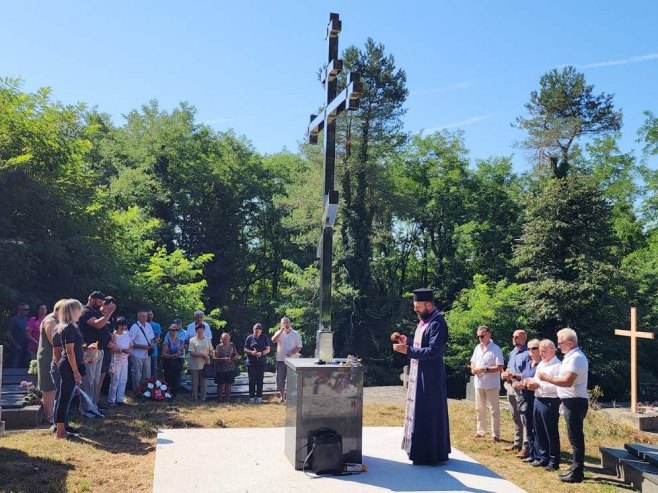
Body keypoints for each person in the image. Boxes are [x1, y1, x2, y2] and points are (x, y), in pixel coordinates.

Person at [393, 288, 451, 465]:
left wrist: (409, 351)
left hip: (430, 377)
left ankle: (429, 454)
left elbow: (434, 350)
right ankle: (418, 450)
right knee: (420, 412)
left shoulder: (437, 322)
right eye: (414, 306)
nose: (415, 310)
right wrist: (408, 342)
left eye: (418, 306)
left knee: (428, 413)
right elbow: (421, 344)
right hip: (420, 373)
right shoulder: (424, 321)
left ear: (428, 305)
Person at [537, 328, 589, 483]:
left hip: (575, 402)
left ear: (570, 343)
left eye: (560, 343)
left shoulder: (576, 358)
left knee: (575, 438)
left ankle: (577, 472)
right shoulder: (570, 356)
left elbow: (567, 381)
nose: (558, 347)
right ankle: (575, 469)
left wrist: (546, 377)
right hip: (570, 401)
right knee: (573, 437)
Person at [78, 291, 116, 417]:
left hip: (100, 349)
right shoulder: (86, 311)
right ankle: (85, 408)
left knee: (95, 380)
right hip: (89, 350)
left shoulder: (97, 312)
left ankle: (93, 405)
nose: (100, 304)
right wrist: (110, 312)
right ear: (91, 299)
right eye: (99, 302)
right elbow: (98, 324)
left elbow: (104, 324)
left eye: (102, 302)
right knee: (88, 380)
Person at [527, 339, 561, 471]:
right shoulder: (541, 364)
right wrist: (530, 383)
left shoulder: (558, 366)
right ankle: (543, 457)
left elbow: (557, 386)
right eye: (540, 350)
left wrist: (538, 384)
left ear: (552, 350)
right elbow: (536, 378)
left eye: (543, 351)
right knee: (539, 430)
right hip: (538, 399)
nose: (541, 353)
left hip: (550, 401)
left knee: (550, 432)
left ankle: (553, 460)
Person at [54, 299, 85, 440]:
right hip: (68, 366)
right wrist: (76, 371)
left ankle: (62, 428)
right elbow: (70, 352)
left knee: (66, 397)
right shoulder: (68, 328)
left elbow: (76, 349)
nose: (81, 312)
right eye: (78, 309)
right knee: (64, 398)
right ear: (72, 311)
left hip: (70, 365)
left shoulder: (73, 326)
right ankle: (60, 431)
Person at [470, 325, 504, 442]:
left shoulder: (496, 349)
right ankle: (481, 430)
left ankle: (495, 434)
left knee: (494, 410)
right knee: (479, 408)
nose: (480, 338)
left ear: (489, 334)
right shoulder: (477, 348)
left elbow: (500, 366)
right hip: (479, 383)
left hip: (492, 384)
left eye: (482, 336)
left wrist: (485, 369)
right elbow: (473, 362)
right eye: (478, 336)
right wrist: (473, 369)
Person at [512, 338, 541, 464]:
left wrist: (522, 385)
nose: (530, 351)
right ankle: (532, 453)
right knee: (528, 426)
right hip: (525, 398)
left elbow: (535, 381)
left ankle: (538, 454)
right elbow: (524, 377)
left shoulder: (542, 365)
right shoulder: (529, 364)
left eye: (533, 348)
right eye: (529, 348)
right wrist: (516, 380)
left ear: (540, 350)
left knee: (536, 427)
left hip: (535, 398)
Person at [501, 329, 529, 457]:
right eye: (513, 336)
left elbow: (530, 372)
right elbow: (509, 368)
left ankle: (526, 447)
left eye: (517, 337)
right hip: (510, 387)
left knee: (524, 418)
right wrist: (505, 373)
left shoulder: (528, 353)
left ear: (524, 338)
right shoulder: (512, 353)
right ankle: (517, 443)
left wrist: (515, 375)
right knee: (515, 416)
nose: (514, 339)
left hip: (522, 388)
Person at [36, 302, 62, 425]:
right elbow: (54, 341)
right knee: (48, 387)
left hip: (53, 356)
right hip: (47, 356)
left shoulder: (57, 320)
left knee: (54, 387)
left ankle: (53, 413)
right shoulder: (51, 321)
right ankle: (49, 416)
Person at [271, 316, 302, 403]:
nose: (286, 324)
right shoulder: (278, 333)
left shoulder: (296, 334)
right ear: (281, 324)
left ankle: (291, 396)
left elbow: (299, 347)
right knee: (281, 379)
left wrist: (291, 353)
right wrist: (281, 331)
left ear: (290, 323)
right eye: (284, 323)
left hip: (293, 361)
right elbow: (273, 340)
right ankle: (282, 397)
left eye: (287, 322)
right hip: (281, 360)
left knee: (292, 379)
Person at [128, 309, 155, 390]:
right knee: (137, 374)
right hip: (137, 354)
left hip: (147, 354)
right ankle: (137, 392)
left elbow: (152, 338)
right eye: (143, 316)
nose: (145, 317)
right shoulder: (134, 327)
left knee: (147, 375)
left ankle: (145, 392)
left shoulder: (149, 326)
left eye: (146, 316)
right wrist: (141, 346)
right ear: (139, 317)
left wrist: (152, 344)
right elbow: (130, 342)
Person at [244, 323, 270, 404]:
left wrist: (261, 353)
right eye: (255, 332)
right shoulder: (249, 338)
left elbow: (268, 349)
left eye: (258, 332)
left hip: (261, 361)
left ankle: (259, 397)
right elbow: (245, 348)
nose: (257, 333)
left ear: (261, 331)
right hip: (251, 362)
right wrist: (251, 352)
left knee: (260, 380)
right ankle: (251, 397)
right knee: (251, 380)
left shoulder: (264, 337)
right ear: (253, 330)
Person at [108, 317, 132, 406]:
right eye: (121, 325)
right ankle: (111, 399)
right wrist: (121, 350)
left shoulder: (127, 334)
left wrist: (129, 350)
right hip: (115, 360)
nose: (123, 327)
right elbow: (111, 349)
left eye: (125, 325)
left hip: (125, 360)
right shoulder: (113, 335)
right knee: (115, 380)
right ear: (117, 325)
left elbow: (130, 345)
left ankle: (120, 399)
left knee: (123, 379)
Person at [188, 323, 213, 401]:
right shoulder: (192, 340)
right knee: (195, 382)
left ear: (204, 330)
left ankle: (203, 398)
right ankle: (194, 398)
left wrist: (209, 355)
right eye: (199, 329)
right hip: (194, 364)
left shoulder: (208, 339)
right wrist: (202, 354)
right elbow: (192, 353)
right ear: (196, 330)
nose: (200, 330)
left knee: (204, 382)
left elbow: (211, 350)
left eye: (202, 329)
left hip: (205, 364)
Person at [213, 332, 239, 403]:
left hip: (230, 368)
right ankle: (220, 400)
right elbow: (215, 358)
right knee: (220, 385)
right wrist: (224, 359)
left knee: (229, 384)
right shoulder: (219, 346)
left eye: (227, 339)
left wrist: (234, 357)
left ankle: (227, 400)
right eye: (224, 339)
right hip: (221, 369)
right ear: (221, 339)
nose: (226, 340)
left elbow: (236, 355)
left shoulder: (232, 345)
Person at [162, 323, 185, 398]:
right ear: (169, 331)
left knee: (177, 379)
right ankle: (168, 394)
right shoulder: (166, 341)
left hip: (178, 362)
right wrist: (173, 355)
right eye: (172, 330)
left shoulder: (181, 341)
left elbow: (182, 351)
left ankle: (175, 395)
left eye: (176, 330)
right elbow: (164, 354)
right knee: (169, 379)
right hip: (168, 362)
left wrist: (179, 353)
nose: (174, 331)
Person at [6, 302, 30, 368]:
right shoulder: (14, 319)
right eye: (25, 309)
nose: (27, 311)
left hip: (26, 347)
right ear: (19, 309)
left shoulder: (28, 320)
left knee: (26, 366)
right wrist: (15, 344)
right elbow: (8, 333)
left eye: (28, 309)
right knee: (13, 365)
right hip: (16, 347)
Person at [147, 310, 162, 377]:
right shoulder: (143, 325)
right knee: (145, 370)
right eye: (148, 314)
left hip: (154, 351)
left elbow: (159, 337)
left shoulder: (156, 325)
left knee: (154, 369)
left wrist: (153, 342)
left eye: (151, 314)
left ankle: (154, 385)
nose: (150, 316)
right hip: (144, 350)